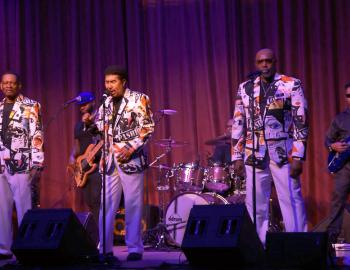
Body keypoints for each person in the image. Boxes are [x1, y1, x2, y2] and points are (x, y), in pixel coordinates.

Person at [231, 48, 308, 245]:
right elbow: (239, 122)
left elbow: (301, 121)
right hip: (253, 152)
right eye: (260, 62)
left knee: (291, 200)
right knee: (255, 204)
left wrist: (298, 156)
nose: (264, 65)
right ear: (256, 64)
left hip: (284, 152)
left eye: (268, 61)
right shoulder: (246, 87)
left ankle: (298, 246)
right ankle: (258, 247)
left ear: (275, 62)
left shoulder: (291, 84)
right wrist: (237, 156)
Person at [95, 65, 154, 262]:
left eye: (113, 82)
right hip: (109, 160)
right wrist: (90, 124)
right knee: (107, 205)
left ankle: (135, 248)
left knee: (132, 204)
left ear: (123, 82)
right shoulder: (106, 102)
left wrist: (132, 147)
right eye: (106, 82)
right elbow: (100, 127)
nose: (109, 86)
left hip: (131, 159)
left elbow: (147, 127)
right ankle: (104, 248)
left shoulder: (139, 99)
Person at [0, 71, 44, 260]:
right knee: (2, 209)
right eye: (5, 83)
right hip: (1, 164)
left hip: (22, 164)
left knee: (24, 206)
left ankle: (26, 248)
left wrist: (38, 162)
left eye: (12, 83)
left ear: (19, 86)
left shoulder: (31, 105)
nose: (9, 86)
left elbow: (37, 134)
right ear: (1, 86)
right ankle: (4, 248)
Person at [68, 92, 101, 231]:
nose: (82, 107)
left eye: (84, 104)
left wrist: (91, 122)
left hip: (98, 163)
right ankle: (99, 233)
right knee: (89, 201)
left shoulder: (100, 120)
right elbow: (77, 145)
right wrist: (71, 158)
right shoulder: (78, 125)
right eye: (80, 105)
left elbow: (104, 136)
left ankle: (104, 235)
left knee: (97, 199)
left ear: (93, 102)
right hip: (83, 166)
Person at [324, 82, 350, 244]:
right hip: (344, 168)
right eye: (348, 95)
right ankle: (331, 244)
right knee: (337, 202)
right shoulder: (340, 118)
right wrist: (332, 146)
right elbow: (327, 140)